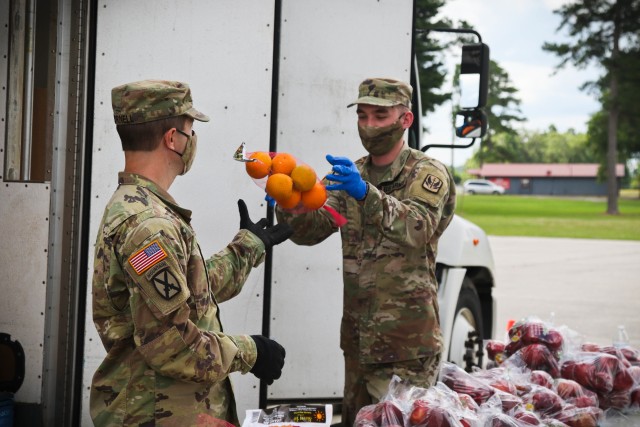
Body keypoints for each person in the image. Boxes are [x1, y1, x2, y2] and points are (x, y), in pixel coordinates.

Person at [91, 79, 292, 427]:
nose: (193, 140)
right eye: (190, 130)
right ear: (172, 139)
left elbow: (187, 291)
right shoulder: (149, 225)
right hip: (155, 412)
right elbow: (172, 344)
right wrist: (250, 351)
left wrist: (247, 247)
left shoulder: (144, 209)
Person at [275, 78, 456, 426]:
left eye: (380, 116)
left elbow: (417, 228)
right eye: (363, 116)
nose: (369, 126)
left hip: (407, 347)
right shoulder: (349, 175)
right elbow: (312, 230)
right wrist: (290, 205)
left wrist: (365, 195)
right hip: (359, 342)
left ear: (405, 120)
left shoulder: (426, 173)